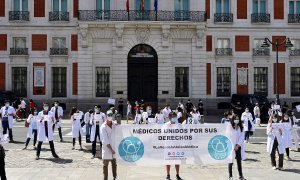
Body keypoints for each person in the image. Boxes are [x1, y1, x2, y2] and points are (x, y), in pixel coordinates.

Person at [227, 115, 246, 180]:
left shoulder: (240, 127)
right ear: (233, 119)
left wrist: (237, 145)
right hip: (231, 146)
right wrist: (233, 145)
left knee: (239, 161)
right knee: (230, 160)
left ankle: (241, 176)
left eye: (238, 119)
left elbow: (242, 137)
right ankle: (230, 176)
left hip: (238, 146)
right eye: (235, 119)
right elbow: (228, 136)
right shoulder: (229, 126)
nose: (237, 120)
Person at [100, 110, 118, 180]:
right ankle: (105, 179)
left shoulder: (114, 124)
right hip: (107, 149)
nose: (110, 116)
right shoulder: (103, 127)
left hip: (114, 147)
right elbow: (105, 140)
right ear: (106, 116)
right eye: (109, 115)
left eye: (111, 115)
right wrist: (111, 150)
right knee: (105, 165)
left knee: (114, 164)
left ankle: (115, 177)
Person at [165, 112, 183, 180]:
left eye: (175, 117)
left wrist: (181, 127)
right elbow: (162, 134)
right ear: (169, 117)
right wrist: (169, 127)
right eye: (173, 117)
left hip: (176, 145)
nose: (174, 118)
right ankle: (168, 175)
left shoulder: (178, 125)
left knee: (177, 161)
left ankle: (177, 175)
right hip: (168, 145)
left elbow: (182, 134)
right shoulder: (166, 125)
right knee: (168, 161)